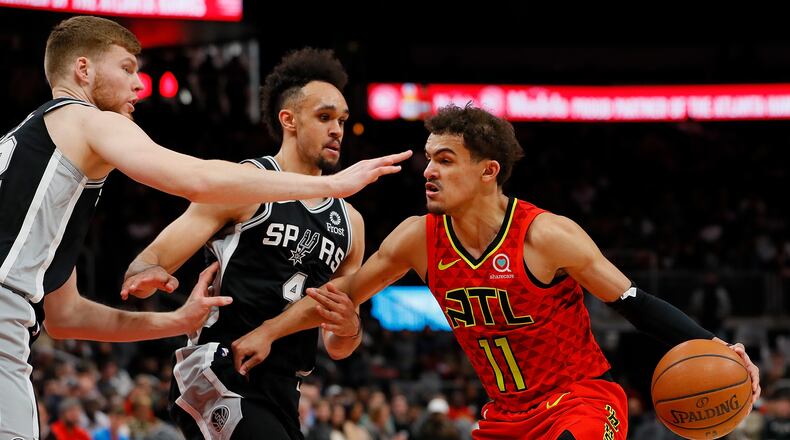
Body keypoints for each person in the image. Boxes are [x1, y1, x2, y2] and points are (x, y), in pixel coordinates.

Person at [230, 104, 762, 439]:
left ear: (488, 172)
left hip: (577, 403)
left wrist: (717, 346)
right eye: (428, 159)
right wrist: (269, 331)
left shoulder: (546, 235)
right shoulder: (419, 238)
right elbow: (342, 292)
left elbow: (635, 304)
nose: (428, 171)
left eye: (444, 160)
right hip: (504, 416)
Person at [0, 16, 409, 439]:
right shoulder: (86, 119)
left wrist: (178, 320)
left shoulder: (43, 162)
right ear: (83, 70)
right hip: (220, 370)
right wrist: (332, 183)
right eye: (127, 68)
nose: (139, 84)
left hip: (285, 385)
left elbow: (67, 317)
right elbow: (195, 180)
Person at [122, 48, 370, 440]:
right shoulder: (245, 184)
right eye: (324, 117)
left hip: (283, 386)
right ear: (288, 119)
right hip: (216, 368)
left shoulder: (350, 223)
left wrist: (349, 326)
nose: (337, 129)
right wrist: (150, 269)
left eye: (341, 120)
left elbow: (339, 345)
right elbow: (154, 256)